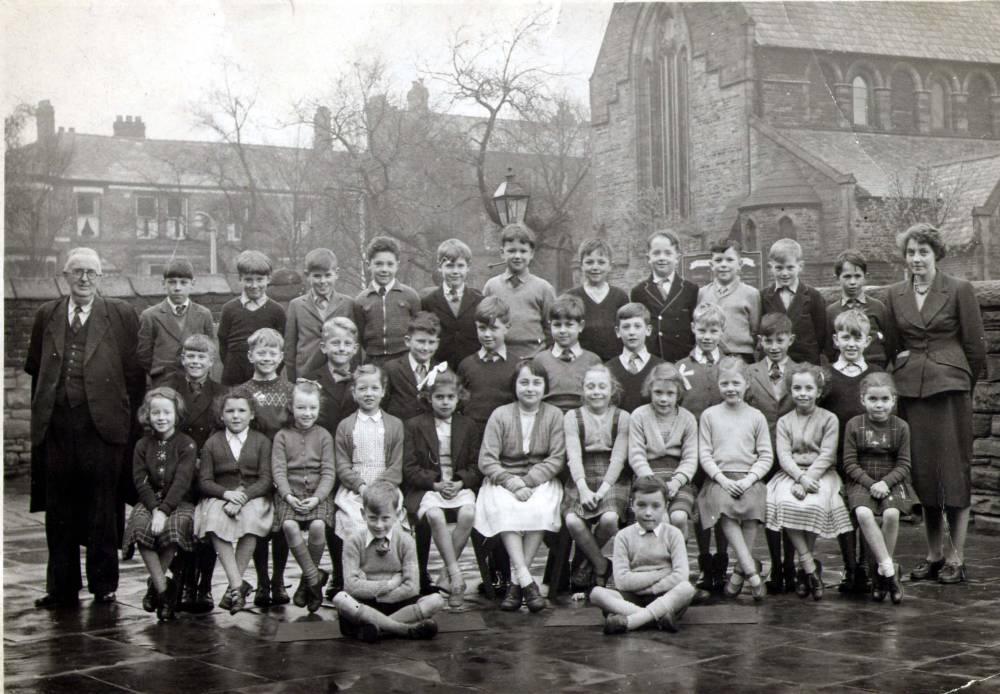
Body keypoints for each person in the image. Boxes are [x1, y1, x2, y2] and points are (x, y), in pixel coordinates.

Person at [27, 247, 144, 609]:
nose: (84, 279)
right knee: (59, 509)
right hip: (58, 426)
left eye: (91, 272)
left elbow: (134, 373)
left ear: (100, 277)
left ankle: (104, 585)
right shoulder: (46, 314)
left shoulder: (120, 314)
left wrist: (126, 419)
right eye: (77, 271)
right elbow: (36, 371)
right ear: (65, 275)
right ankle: (61, 587)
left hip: (103, 427)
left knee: (103, 508)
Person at [885, 223, 986, 585]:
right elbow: (895, 344)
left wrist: (960, 382)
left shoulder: (959, 289)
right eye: (910, 252)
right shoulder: (894, 294)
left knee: (953, 474)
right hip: (911, 392)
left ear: (936, 254)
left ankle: (957, 558)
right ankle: (932, 555)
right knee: (925, 475)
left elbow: (975, 347)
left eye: (922, 252)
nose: (916, 259)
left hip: (950, 394)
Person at [475, 359, 566, 613]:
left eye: (537, 383)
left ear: (545, 387)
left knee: (539, 509)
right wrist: (512, 482)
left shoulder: (554, 415)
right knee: (504, 509)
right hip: (503, 480)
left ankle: (517, 583)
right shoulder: (500, 414)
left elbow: (556, 458)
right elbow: (487, 460)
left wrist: (528, 482)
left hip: (540, 480)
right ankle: (527, 581)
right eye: (524, 382)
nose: (530, 388)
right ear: (514, 385)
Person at [766, 363, 853, 601]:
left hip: (821, 473)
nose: (802, 393)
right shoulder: (785, 421)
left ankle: (805, 571)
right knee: (784, 502)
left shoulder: (829, 419)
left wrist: (809, 479)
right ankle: (809, 567)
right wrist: (800, 478)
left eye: (808, 388)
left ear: (818, 391)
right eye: (797, 388)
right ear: (790, 391)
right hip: (793, 474)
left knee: (814, 504)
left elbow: (827, 454)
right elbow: (783, 456)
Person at [403, 369, 482, 609]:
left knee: (469, 513)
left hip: (458, 486)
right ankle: (456, 577)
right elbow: (409, 467)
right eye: (439, 397)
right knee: (435, 515)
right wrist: (435, 483)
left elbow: (475, 465)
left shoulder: (467, 425)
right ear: (429, 398)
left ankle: (446, 576)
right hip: (429, 488)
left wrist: (460, 482)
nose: (445, 402)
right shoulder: (416, 425)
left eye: (450, 397)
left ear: (459, 398)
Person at [698, 357, 773, 602]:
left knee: (752, 511)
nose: (730, 388)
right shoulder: (709, 415)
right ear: (717, 385)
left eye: (736, 382)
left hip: (748, 478)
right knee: (725, 511)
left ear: (747, 383)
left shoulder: (756, 417)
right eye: (725, 383)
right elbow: (705, 454)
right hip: (719, 480)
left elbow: (765, 455)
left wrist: (750, 479)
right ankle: (752, 572)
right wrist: (722, 478)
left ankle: (739, 572)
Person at [332, 481, 445, 642]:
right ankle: (404, 629)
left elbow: (412, 587)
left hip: (398, 603)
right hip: (364, 605)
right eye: (373, 518)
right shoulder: (353, 541)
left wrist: (375, 591)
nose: (379, 525)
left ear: (397, 515)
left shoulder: (406, 541)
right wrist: (390, 584)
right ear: (363, 514)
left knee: (436, 600)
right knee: (340, 598)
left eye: (385, 518)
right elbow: (351, 586)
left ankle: (377, 628)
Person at [194, 387, 274, 615]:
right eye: (230, 411)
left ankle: (232, 589)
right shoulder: (212, 443)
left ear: (252, 414)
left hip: (253, 496)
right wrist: (226, 494)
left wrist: (243, 497)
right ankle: (238, 584)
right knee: (213, 521)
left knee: (252, 520)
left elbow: (266, 479)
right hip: (221, 495)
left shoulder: (261, 441)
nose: (236, 416)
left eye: (241, 411)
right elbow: (205, 480)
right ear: (221, 415)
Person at [820, 309, 884, 594]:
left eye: (857, 338)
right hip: (837, 455)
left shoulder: (875, 376)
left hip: (868, 455)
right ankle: (850, 568)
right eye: (845, 337)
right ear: (835, 339)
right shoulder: (828, 377)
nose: (851, 343)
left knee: (866, 510)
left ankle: (866, 565)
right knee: (844, 511)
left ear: (867, 341)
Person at [842, 372, 917, 605]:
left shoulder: (901, 426)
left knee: (891, 514)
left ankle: (879, 575)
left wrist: (886, 482)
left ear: (893, 400)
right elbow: (849, 463)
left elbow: (904, 464)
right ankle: (888, 572)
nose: (879, 405)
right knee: (864, 513)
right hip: (863, 480)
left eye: (885, 399)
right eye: (873, 399)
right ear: (863, 400)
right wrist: (870, 483)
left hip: (892, 480)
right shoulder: (854, 425)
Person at [164, 334, 226, 613]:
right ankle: (184, 582)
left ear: (211, 362)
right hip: (180, 467)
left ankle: (205, 586)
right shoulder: (171, 389)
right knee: (185, 524)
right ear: (182, 359)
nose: (196, 362)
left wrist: (206, 459)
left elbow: (221, 430)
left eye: (202, 357)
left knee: (207, 527)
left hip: (209, 468)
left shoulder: (221, 391)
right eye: (191, 356)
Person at [123, 387, 197, 621]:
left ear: (177, 414)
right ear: (148, 415)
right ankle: (165, 593)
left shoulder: (187, 444)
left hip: (179, 502)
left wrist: (164, 511)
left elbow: (182, 481)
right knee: (140, 528)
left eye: (167, 412)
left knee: (175, 530)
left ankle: (154, 585)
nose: (162, 418)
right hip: (150, 502)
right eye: (156, 413)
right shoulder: (142, 445)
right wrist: (155, 509)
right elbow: (140, 480)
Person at [589, 476, 696, 635]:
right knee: (597, 593)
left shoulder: (673, 534)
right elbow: (622, 581)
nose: (648, 513)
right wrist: (662, 572)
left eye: (655, 506)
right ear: (632, 505)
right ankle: (657, 618)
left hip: (665, 595)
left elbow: (680, 576)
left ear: (665, 506)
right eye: (641, 505)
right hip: (632, 596)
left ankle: (631, 621)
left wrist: (652, 588)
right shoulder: (623, 536)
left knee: (686, 588)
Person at [675, 302, 729, 595]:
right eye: (702, 329)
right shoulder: (681, 367)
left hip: (723, 445)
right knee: (697, 503)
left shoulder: (730, 365)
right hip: (693, 446)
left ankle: (722, 559)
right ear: (693, 328)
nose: (707, 336)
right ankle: (704, 557)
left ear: (722, 331)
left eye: (714, 330)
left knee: (717, 502)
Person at [562, 365, 631, 589]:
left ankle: (584, 563)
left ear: (612, 390)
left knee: (610, 519)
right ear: (583, 390)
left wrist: (601, 491)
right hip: (581, 474)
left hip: (612, 477)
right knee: (573, 520)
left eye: (602, 386)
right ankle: (601, 565)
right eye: (590, 387)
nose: (596, 392)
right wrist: (583, 489)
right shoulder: (572, 417)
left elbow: (619, 459)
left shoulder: (622, 417)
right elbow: (573, 456)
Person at [239, 327, 294, 607]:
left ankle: (278, 580)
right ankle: (261, 581)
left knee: (281, 524)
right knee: (261, 523)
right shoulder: (243, 392)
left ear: (281, 356)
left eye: (273, 352)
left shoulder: (289, 390)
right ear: (250, 355)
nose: (267, 357)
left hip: (284, 462)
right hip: (256, 465)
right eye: (261, 352)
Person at [306, 316, 360, 598]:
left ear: (355, 348)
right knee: (331, 513)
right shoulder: (311, 379)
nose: (341, 348)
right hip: (322, 458)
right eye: (335, 343)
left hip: (354, 456)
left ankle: (357, 571)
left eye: (347, 344)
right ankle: (338, 573)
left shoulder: (361, 378)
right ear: (324, 346)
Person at [270, 380, 336, 613]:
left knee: (318, 525)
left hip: (318, 495)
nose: (307, 413)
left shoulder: (325, 435)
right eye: (301, 408)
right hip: (290, 494)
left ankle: (307, 581)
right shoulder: (282, 436)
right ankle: (314, 578)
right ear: (291, 407)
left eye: (312, 408)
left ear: (319, 408)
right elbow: (278, 470)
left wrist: (318, 498)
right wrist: (287, 496)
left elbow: (329, 472)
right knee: (289, 524)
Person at [745, 312, 798, 594]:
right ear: (760, 341)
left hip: (793, 450)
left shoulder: (802, 371)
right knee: (768, 506)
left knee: (787, 504)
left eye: (780, 340)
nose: (774, 346)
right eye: (768, 340)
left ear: (790, 339)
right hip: (762, 449)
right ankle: (776, 563)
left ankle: (790, 562)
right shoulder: (749, 373)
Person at [334, 365, 406, 544]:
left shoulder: (395, 425)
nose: (369, 393)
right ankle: (357, 568)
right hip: (356, 489)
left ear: (383, 391)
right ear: (353, 392)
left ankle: (387, 567)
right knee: (356, 524)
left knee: (390, 526)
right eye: (362, 388)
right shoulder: (345, 426)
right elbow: (342, 465)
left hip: (386, 487)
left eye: (374, 388)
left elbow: (396, 465)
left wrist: (379, 487)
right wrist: (361, 487)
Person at [628, 363, 699, 541]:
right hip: (648, 476)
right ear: (650, 391)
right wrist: (651, 481)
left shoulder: (687, 418)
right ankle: (662, 561)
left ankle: (679, 556)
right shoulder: (639, 416)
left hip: (677, 476)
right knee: (661, 518)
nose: (664, 399)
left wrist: (677, 482)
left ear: (678, 394)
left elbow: (690, 458)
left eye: (670, 394)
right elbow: (636, 455)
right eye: (658, 393)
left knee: (678, 517)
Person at [482, 222, 557, 360]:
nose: (517, 256)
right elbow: (484, 324)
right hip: (500, 359)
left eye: (523, 251)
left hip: (535, 359)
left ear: (532, 254)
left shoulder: (543, 288)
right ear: (502, 253)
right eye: (511, 251)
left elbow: (551, 329)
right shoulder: (491, 287)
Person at [137, 259, 217, 387]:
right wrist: (158, 374)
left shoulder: (203, 314)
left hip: (195, 381)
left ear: (193, 284)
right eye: (172, 282)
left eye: (183, 282)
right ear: (163, 283)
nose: (177, 288)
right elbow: (144, 356)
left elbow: (210, 351)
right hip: (163, 383)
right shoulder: (150, 316)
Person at [284, 248, 356, 381]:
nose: (323, 281)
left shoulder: (348, 304)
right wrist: (292, 380)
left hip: (340, 375)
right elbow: (290, 348)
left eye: (328, 275)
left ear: (337, 274)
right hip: (306, 374)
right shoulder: (296, 305)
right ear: (307, 275)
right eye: (317, 276)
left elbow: (355, 343)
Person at [217, 250, 286, 386]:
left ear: (269, 279)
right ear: (240, 279)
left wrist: (269, 371)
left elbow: (283, 347)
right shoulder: (229, 309)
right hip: (234, 378)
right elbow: (223, 345)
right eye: (248, 280)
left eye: (259, 280)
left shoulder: (277, 311)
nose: (254, 286)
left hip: (265, 378)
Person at [628, 229, 698, 362]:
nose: (662, 258)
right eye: (656, 253)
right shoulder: (639, 292)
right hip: (652, 359)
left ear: (677, 257)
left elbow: (695, 327)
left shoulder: (690, 290)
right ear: (648, 258)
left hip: (682, 359)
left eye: (667, 253)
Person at [354, 236, 422, 365]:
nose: (384, 269)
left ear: (397, 265)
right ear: (369, 265)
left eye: (390, 264)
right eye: (378, 264)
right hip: (374, 361)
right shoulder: (361, 300)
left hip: (404, 360)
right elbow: (361, 337)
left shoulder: (410, 296)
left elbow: (417, 331)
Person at [532, 294, 603, 412]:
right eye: (557, 325)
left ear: (581, 326)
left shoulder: (593, 361)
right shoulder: (540, 360)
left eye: (569, 325)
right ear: (550, 325)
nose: (562, 330)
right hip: (550, 421)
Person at [761, 238, 827, 365]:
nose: (785, 273)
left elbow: (821, 333)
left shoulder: (813, 296)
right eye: (779, 268)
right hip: (774, 362)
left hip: (805, 363)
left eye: (790, 267)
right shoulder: (764, 296)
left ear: (800, 266)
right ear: (770, 267)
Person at [421, 238, 483, 371]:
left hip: (473, 369)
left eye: (460, 266)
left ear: (468, 267)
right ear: (439, 267)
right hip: (440, 370)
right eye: (449, 266)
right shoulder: (428, 302)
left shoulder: (479, 301)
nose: (455, 271)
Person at [823, 250, 893, 369]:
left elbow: (890, 342)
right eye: (847, 277)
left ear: (865, 277)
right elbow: (828, 348)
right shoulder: (831, 311)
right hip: (844, 368)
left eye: (857, 276)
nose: (853, 282)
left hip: (874, 366)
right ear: (837, 278)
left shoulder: (878, 307)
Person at [697, 239, 761, 363]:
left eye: (729, 260)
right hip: (710, 356)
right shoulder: (703, 293)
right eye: (718, 260)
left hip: (741, 356)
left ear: (740, 264)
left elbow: (755, 330)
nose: (723, 265)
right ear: (711, 265)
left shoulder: (751, 294)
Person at [566, 239, 629, 362]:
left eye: (601, 262)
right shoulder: (572, 297)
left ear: (610, 266)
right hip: (581, 363)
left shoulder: (620, 297)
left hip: (613, 362)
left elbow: (625, 331)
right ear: (581, 265)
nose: (595, 267)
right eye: (589, 262)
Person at [383, 312, 443, 422]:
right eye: (421, 341)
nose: (425, 348)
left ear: (438, 343)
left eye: (431, 342)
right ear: (407, 341)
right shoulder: (391, 369)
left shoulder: (441, 370)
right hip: (400, 431)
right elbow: (383, 404)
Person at [604, 303, 664, 413]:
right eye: (626, 327)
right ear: (618, 332)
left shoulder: (661, 367)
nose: (632, 332)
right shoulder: (608, 369)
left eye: (637, 326)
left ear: (648, 330)